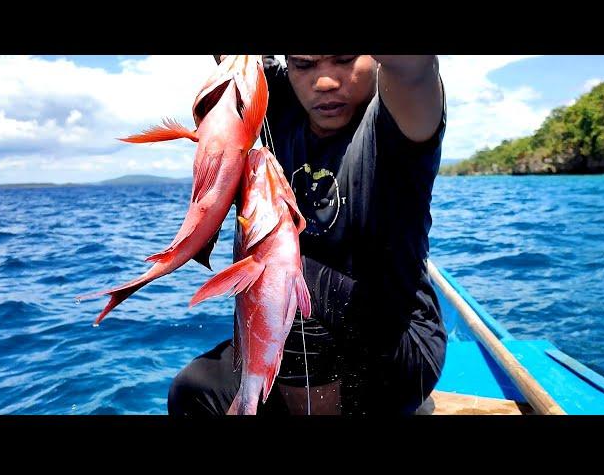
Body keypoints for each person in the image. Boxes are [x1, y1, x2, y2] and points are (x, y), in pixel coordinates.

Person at [167, 55, 447, 416]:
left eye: (345, 59)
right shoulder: (282, 99)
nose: (325, 81)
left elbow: (415, 68)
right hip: (299, 354)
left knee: (288, 281)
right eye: (304, 64)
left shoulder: (397, 114)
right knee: (192, 392)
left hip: (397, 352)